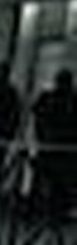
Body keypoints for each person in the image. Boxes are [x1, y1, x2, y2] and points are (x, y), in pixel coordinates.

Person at [33, 69, 77, 219]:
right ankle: (55, 208)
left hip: (53, 144)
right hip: (61, 146)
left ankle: (42, 207)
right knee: (59, 180)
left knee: (49, 178)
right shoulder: (69, 100)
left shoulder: (48, 98)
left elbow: (38, 116)